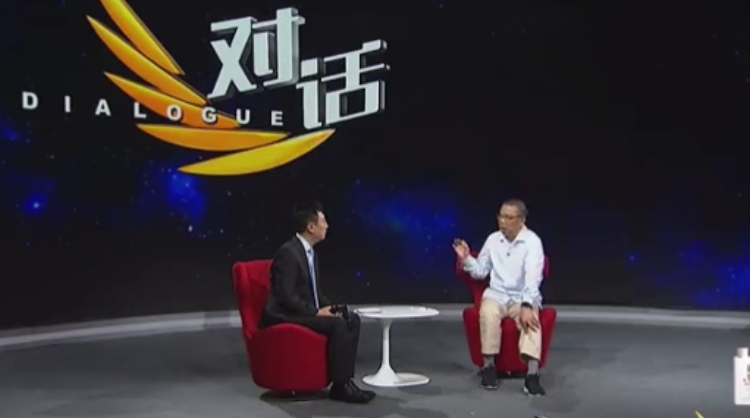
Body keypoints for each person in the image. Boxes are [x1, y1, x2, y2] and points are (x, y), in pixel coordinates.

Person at [261, 202, 376, 404]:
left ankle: (346, 381)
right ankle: (339, 387)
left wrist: (330, 307)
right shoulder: (288, 253)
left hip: (301, 310)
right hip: (285, 314)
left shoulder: (310, 252)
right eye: (323, 221)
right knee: (337, 325)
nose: (327, 226)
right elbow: (286, 295)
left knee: (350, 318)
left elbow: (313, 291)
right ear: (311, 227)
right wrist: (315, 312)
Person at [453, 199, 546, 396]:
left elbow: (533, 277)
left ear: (521, 220)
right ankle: (489, 368)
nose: (503, 222)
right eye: (501, 216)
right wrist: (466, 258)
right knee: (488, 312)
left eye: (509, 217)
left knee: (531, 320)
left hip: (521, 296)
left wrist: (527, 304)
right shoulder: (493, 240)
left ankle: (532, 375)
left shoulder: (532, 242)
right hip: (497, 294)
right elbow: (480, 271)